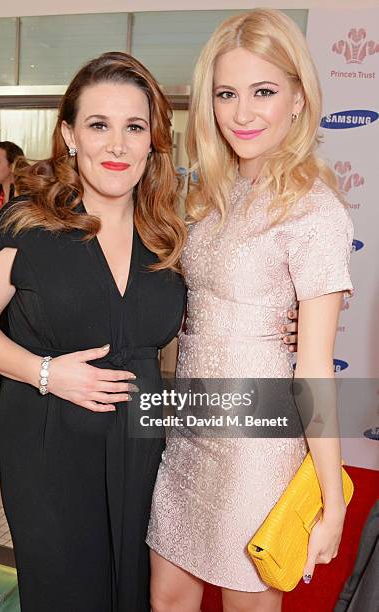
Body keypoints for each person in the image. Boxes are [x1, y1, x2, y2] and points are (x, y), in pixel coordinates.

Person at [0, 52, 187, 612]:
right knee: (66, 590)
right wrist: (46, 373)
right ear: (70, 134)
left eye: (134, 127)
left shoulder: (169, 233)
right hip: (48, 440)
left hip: (143, 444)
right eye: (98, 125)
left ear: (152, 139)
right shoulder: (25, 225)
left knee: (134, 589)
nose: (117, 145)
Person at [147, 9, 353, 612]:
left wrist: (332, 506)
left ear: (298, 99)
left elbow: (315, 366)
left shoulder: (314, 213)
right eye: (226, 93)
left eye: (263, 91)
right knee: (167, 599)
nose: (242, 112)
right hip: (189, 429)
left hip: (256, 448)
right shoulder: (206, 196)